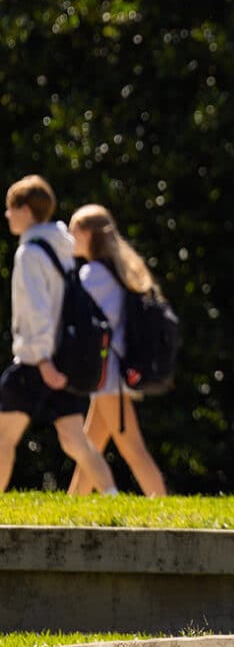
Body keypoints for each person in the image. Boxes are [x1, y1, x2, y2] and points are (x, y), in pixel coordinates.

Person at [0, 176, 118, 495]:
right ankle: (111, 496)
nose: (7, 215)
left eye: (11, 208)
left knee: (3, 437)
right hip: (62, 358)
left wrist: (40, 360)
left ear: (25, 210)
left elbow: (36, 310)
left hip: (36, 361)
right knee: (75, 440)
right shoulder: (62, 249)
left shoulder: (29, 254)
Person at [65, 205, 167, 497]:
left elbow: (67, 307)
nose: (70, 238)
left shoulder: (95, 274)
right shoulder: (116, 270)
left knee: (133, 450)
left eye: (73, 231)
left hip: (109, 377)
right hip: (115, 374)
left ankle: (165, 508)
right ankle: (71, 508)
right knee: (89, 448)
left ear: (87, 234)